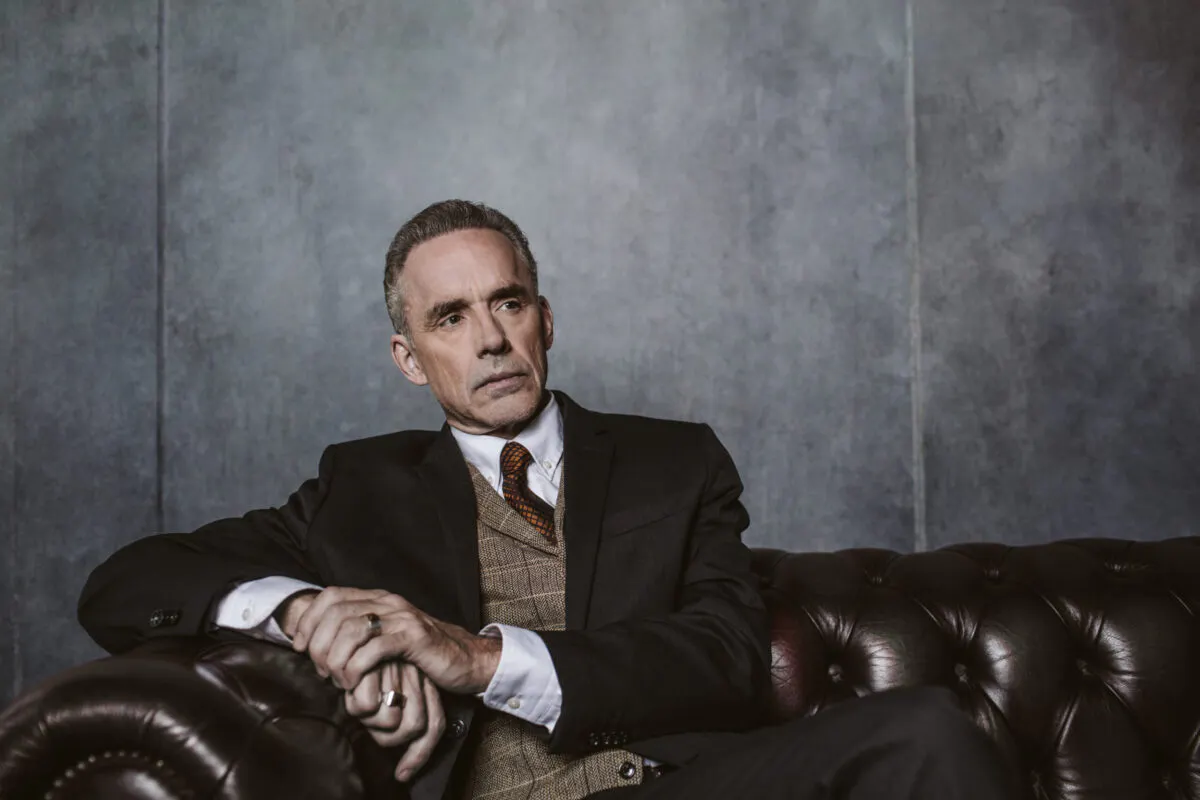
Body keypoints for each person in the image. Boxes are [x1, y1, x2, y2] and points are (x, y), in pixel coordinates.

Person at [78, 200, 1017, 800]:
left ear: (545, 319)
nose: (490, 339)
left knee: (928, 729)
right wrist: (304, 611)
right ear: (410, 359)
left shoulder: (674, 461)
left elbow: (728, 655)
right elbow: (126, 583)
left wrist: (474, 657)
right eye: (450, 318)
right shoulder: (359, 488)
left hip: (678, 785)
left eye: (508, 303)